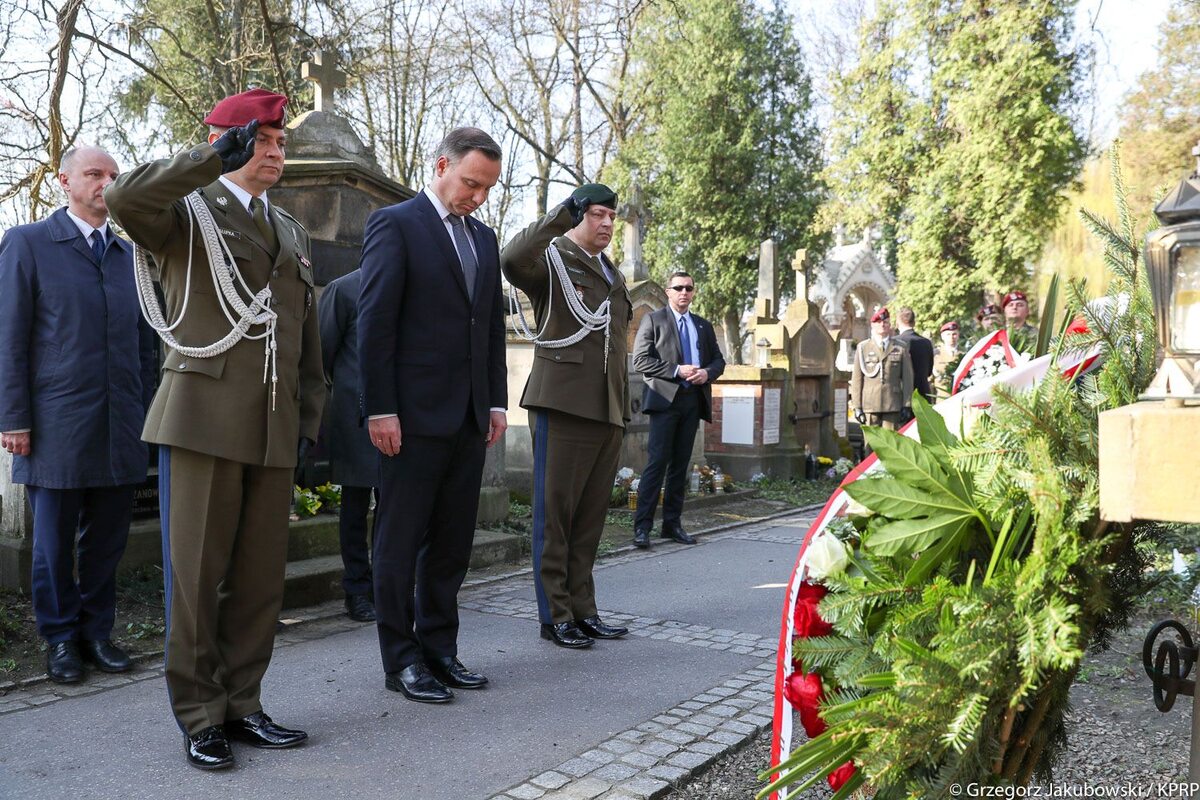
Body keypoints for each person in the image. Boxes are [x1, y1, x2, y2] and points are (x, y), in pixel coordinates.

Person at [105, 89, 324, 770]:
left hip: (271, 425)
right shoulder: (183, 213)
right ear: (229, 142)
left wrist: (308, 419)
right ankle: (199, 715)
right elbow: (123, 202)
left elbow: (304, 336)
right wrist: (204, 160)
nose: (276, 151)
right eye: (262, 139)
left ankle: (243, 703)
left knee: (259, 582)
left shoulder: (289, 229)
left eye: (281, 142)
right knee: (196, 579)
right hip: (202, 420)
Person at [358, 127, 508, 705]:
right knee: (398, 543)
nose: (478, 196)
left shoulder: (485, 240)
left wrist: (494, 400)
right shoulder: (396, 225)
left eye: (488, 188)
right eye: (472, 183)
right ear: (442, 164)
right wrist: (381, 410)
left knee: (451, 543)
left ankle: (440, 650)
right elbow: (376, 326)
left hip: (469, 418)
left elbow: (490, 327)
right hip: (410, 419)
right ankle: (401, 660)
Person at [0, 146, 157, 685]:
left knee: (107, 540)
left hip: (121, 425)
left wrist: (150, 414)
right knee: (52, 543)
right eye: (95, 174)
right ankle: (61, 638)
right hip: (56, 423)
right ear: (64, 180)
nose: (106, 184)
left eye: (114, 176)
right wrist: (13, 418)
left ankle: (96, 633)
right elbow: (9, 337)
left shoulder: (130, 256)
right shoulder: (28, 243)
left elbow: (146, 347)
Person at [501, 183, 633, 650]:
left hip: (606, 411)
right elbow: (512, 258)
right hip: (562, 404)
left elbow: (616, 346)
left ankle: (583, 608)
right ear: (579, 215)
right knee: (555, 517)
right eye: (596, 214)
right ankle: (554, 614)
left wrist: (623, 409)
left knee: (590, 519)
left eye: (611, 217)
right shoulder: (553, 260)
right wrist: (561, 215)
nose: (605, 224)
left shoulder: (611, 274)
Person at [631, 270, 725, 549]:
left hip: (692, 401)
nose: (684, 292)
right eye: (678, 288)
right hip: (665, 401)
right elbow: (640, 361)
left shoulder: (702, 326)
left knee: (680, 466)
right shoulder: (654, 320)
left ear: (693, 292)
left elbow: (719, 361)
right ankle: (642, 528)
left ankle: (672, 525)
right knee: (657, 463)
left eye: (688, 288)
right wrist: (676, 370)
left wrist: (707, 373)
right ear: (668, 291)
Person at [317, 268, 378, 623]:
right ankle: (356, 590)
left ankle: (386, 586)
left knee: (393, 509)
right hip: (354, 419)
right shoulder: (343, 289)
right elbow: (323, 353)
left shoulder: (407, 283)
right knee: (355, 507)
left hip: (401, 417)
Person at [850, 307, 914, 433]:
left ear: (890, 325)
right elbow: (857, 379)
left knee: (891, 446)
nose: (882, 325)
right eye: (879, 322)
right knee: (870, 446)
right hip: (870, 404)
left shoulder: (900, 347)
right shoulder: (863, 347)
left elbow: (908, 378)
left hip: (892, 403)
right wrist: (857, 406)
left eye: (885, 322)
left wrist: (907, 404)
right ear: (872, 325)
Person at [894, 307, 934, 404]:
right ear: (914, 322)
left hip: (901, 396)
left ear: (897, 322)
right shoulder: (926, 342)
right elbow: (929, 371)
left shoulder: (895, 342)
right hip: (922, 393)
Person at [932, 321, 961, 399]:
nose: (951, 337)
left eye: (954, 334)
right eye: (948, 334)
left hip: (961, 397)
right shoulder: (935, 354)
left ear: (958, 335)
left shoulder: (965, 353)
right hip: (942, 399)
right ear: (942, 336)